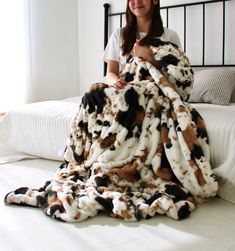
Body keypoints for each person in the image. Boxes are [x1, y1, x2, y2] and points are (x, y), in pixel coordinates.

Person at [103, 0, 182, 89]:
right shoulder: (118, 35)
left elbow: (178, 76)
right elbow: (110, 73)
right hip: (124, 93)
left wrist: (148, 57)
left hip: (157, 95)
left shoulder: (170, 36)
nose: (137, 1)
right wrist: (116, 82)